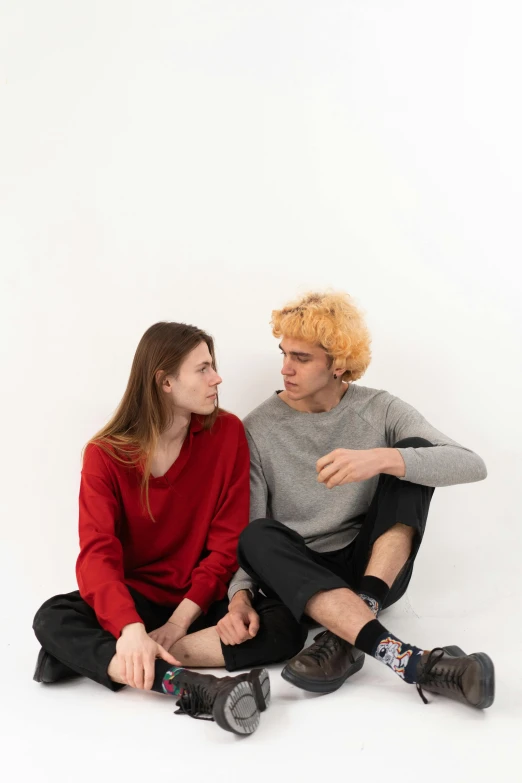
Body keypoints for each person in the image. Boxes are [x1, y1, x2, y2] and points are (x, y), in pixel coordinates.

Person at [217, 292, 494, 710]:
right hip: (302, 577)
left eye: (302, 358)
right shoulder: (258, 426)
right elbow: (251, 529)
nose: (285, 368)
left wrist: (383, 458)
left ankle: (354, 620)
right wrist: (239, 596)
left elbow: (472, 465)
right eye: (284, 353)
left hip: (374, 570)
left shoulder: (379, 409)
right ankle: (411, 662)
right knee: (257, 535)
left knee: (413, 455)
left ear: (338, 364)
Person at [33, 322, 305, 736]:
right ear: (164, 381)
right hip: (137, 600)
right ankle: (198, 686)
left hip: (201, 599)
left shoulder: (226, 433)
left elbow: (227, 544)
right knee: (52, 617)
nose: (217, 378)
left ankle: (109, 660)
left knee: (284, 623)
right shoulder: (105, 456)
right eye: (203, 369)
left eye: (213, 366)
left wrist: (177, 625)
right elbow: (97, 554)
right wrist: (131, 629)